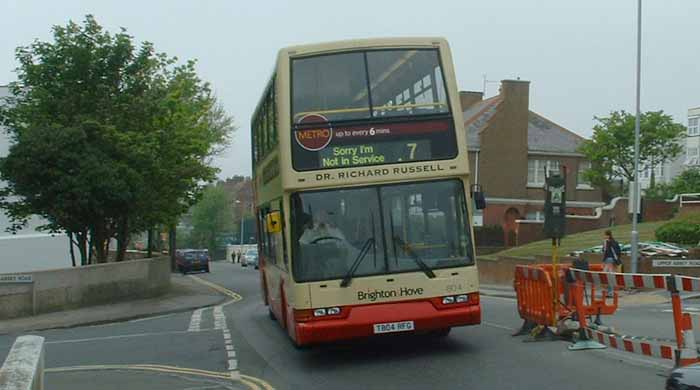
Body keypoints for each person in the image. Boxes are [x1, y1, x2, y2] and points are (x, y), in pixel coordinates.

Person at [602, 230, 621, 296]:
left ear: (608, 235)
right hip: (613, 260)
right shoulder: (614, 242)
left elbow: (605, 252)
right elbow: (618, 252)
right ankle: (610, 291)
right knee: (610, 276)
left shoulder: (607, 242)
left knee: (606, 275)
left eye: (605, 235)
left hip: (609, 260)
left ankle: (610, 292)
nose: (603, 236)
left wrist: (603, 262)